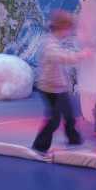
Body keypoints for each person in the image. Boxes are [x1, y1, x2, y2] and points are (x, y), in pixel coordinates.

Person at [32, 10, 90, 157]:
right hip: (49, 88)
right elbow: (61, 57)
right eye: (69, 29)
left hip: (59, 87)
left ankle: (73, 138)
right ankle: (40, 145)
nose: (70, 32)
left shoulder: (55, 41)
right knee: (54, 119)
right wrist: (81, 55)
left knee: (69, 115)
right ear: (62, 27)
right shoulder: (49, 43)